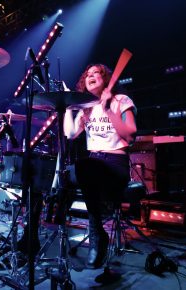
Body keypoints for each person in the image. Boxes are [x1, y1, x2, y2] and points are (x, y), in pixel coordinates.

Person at [63, 63, 137, 268]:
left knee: (86, 166)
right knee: (63, 173)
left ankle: (96, 233)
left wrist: (107, 109)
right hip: (93, 164)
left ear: (106, 79)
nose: (91, 75)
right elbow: (69, 134)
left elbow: (130, 135)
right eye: (88, 74)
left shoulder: (121, 100)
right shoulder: (86, 107)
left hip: (115, 162)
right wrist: (69, 107)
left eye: (97, 73)